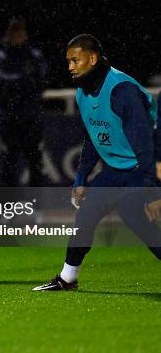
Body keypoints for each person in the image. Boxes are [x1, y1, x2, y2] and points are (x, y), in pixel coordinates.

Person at [33, 34, 161, 291]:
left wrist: (152, 191)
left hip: (142, 167)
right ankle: (67, 278)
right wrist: (81, 179)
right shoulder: (83, 92)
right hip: (117, 169)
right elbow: (93, 140)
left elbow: (146, 146)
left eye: (75, 60)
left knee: (135, 217)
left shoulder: (121, 91)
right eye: (68, 61)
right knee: (86, 216)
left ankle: (68, 278)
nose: (69, 66)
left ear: (92, 59)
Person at [0, 17, 47, 186]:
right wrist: (23, 80)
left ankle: (36, 209)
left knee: (35, 163)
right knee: (9, 164)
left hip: (31, 118)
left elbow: (40, 83)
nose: (17, 34)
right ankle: (8, 209)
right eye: (14, 30)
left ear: (25, 33)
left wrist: (17, 83)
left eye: (20, 30)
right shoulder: (0, 56)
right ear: (8, 33)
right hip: (9, 119)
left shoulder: (34, 56)